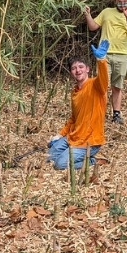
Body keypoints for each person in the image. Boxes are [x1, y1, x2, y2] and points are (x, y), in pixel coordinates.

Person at [48, 40, 110, 169]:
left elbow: (104, 79)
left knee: (60, 164)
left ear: (87, 69)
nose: (78, 70)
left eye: (81, 67)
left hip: (90, 141)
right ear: (71, 72)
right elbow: (74, 118)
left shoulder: (96, 85)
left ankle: (92, 161)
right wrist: (59, 135)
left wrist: (101, 60)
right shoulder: (74, 91)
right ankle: (69, 153)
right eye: (74, 68)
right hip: (73, 136)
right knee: (50, 157)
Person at [83, 0, 127, 124]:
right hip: (104, 54)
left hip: (122, 54)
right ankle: (98, 112)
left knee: (117, 86)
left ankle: (116, 113)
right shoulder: (106, 12)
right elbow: (93, 26)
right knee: (101, 85)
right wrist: (87, 14)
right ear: (115, 1)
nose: (122, 4)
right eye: (119, 2)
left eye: (125, 1)